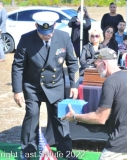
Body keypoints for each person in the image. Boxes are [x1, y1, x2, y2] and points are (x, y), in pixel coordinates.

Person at [11, 11, 79, 160]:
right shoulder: (26, 39)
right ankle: (28, 151)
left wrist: (74, 85)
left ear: (55, 26)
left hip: (56, 85)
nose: (47, 35)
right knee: (32, 116)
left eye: (50, 32)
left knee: (61, 118)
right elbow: (18, 66)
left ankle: (66, 151)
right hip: (33, 86)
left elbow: (73, 62)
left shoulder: (63, 37)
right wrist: (17, 90)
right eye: (43, 32)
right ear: (36, 26)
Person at [62, 48, 127, 160]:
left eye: (96, 65)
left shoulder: (110, 82)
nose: (95, 69)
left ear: (104, 63)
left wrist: (74, 116)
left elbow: (100, 118)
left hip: (121, 139)